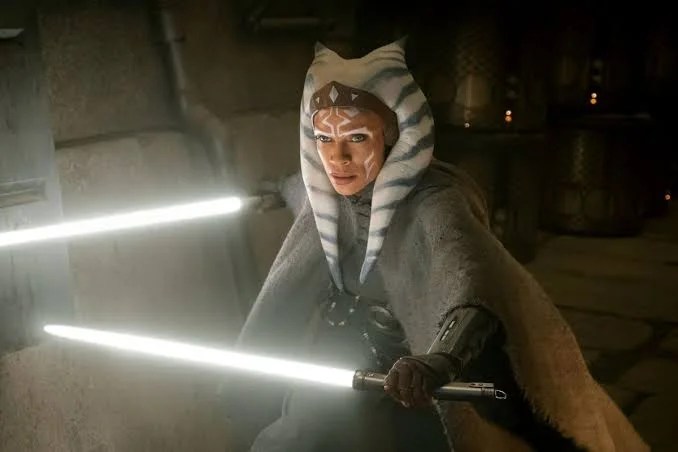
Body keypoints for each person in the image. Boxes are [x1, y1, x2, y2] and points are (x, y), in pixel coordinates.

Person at [228, 39, 649, 452]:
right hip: (347, 339)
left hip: (419, 351)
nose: (337, 157)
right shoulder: (325, 193)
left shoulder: (434, 202)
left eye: (355, 138)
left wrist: (439, 359)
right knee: (299, 437)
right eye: (323, 138)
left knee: (442, 439)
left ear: (390, 134)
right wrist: (274, 191)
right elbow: (300, 189)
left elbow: (471, 286)